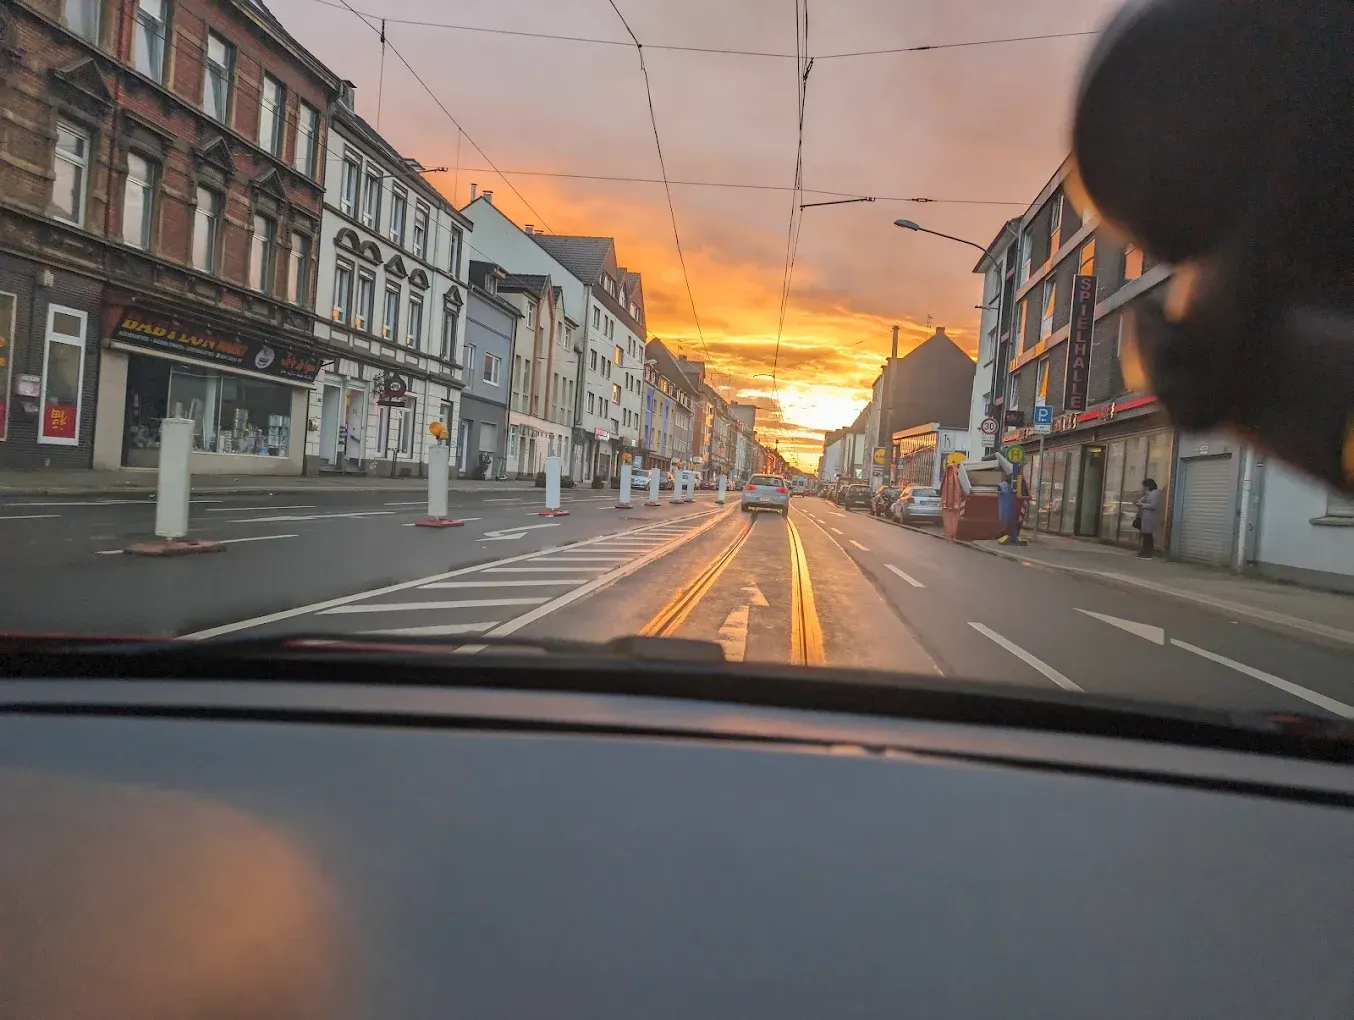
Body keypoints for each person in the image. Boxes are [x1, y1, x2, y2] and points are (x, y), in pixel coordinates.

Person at [1135, 478, 1161, 559]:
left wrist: (1142, 505)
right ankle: (1144, 551)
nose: (1143, 488)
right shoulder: (1149, 493)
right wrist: (1139, 502)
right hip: (1145, 516)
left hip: (1150, 516)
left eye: (1144, 486)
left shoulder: (1155, 493)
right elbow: (1144, 501)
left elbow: (1153, 505)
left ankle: (1148, 552)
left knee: (1148, 535)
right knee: (1145, 534)